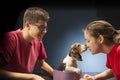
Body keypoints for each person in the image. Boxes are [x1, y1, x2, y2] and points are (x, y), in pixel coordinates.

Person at [0, 6, 53, 80]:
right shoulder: (11, 38)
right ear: (27, 25)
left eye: (45, 28)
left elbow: (42, 64)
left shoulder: (38, 41)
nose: (44, 31)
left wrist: (59, 76)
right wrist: (32, 77)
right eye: (41, 27)